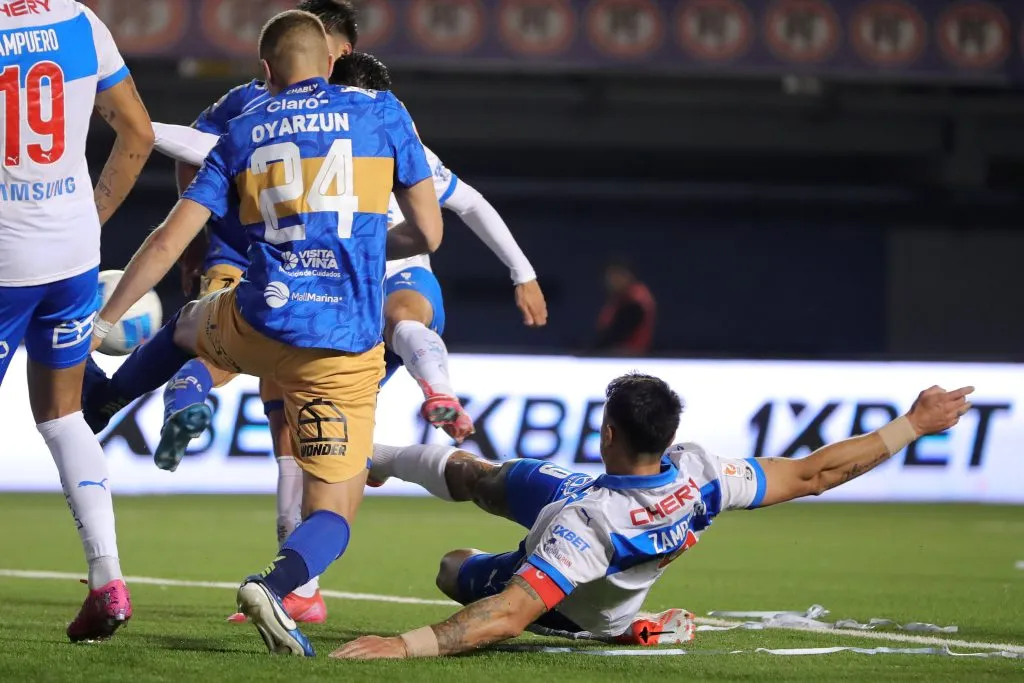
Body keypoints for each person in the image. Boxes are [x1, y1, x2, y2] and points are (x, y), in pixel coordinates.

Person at [89, 9, 442, 657]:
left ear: (265, 71)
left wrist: (106, 319)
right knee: (334, 509)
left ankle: (103, 398)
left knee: (190, 326)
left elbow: (172, 237)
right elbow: (429, 233)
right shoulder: (384, 113)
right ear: (331, 62)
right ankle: (275, 585)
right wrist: (362, 242)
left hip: (259, 318)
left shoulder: (242, 126)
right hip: (340, 347)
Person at [330, 373, 973, 659]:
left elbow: (510, 616)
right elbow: (813, 473)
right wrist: (913, 424)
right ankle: (372, 455)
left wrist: (405, 645)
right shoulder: (699, 474)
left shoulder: (587, 528)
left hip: (577, 600)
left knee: (454, 568)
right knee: (486, 477)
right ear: (667, 440)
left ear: (608, 432)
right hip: (591, 500)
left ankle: (622, 629)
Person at [0, 0, 154, 641]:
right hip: (70, 257)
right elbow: (138, 133)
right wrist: (85, 223)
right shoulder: (80, 22)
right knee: (63, 417)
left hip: (5, 257)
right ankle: (107, 581)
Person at [592, 256, 656, 355]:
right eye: (610, 275)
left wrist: (591, 351)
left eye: (617, 275)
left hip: (628, 359)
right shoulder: (617, 299)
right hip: (615, 356)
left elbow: (616, 335)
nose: (613, 280)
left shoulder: (635, 302)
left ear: (629, 275)